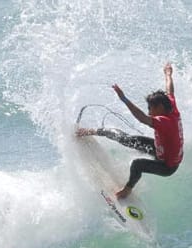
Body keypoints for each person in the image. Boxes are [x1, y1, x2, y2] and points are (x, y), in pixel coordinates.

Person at [76, 63, 184, 199]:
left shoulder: (166, 122)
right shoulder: (171, 106)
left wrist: (124, 99)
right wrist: (168, 74)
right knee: (126, 139)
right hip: (159, 149)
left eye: (151, 108)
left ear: (160, 107)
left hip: (167, 165)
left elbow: (142, 118)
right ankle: (91, 131)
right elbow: (170, 91)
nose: (149, 111)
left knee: (137, 164)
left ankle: (127, 190)